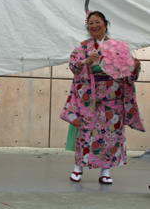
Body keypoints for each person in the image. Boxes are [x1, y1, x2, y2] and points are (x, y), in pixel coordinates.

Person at [61, 11, 144, 184]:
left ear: (105, 25)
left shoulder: (117, 48)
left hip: (114, 99)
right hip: (90, 100)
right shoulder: (83, 48)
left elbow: (128, 75)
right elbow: (74, 68)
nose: (94, 26)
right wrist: (87, 62)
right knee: (86, 133)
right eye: (91, 23)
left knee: (111, 135)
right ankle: (78, 168)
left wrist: (134, 67)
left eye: (97, 22)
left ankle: (106, 171)